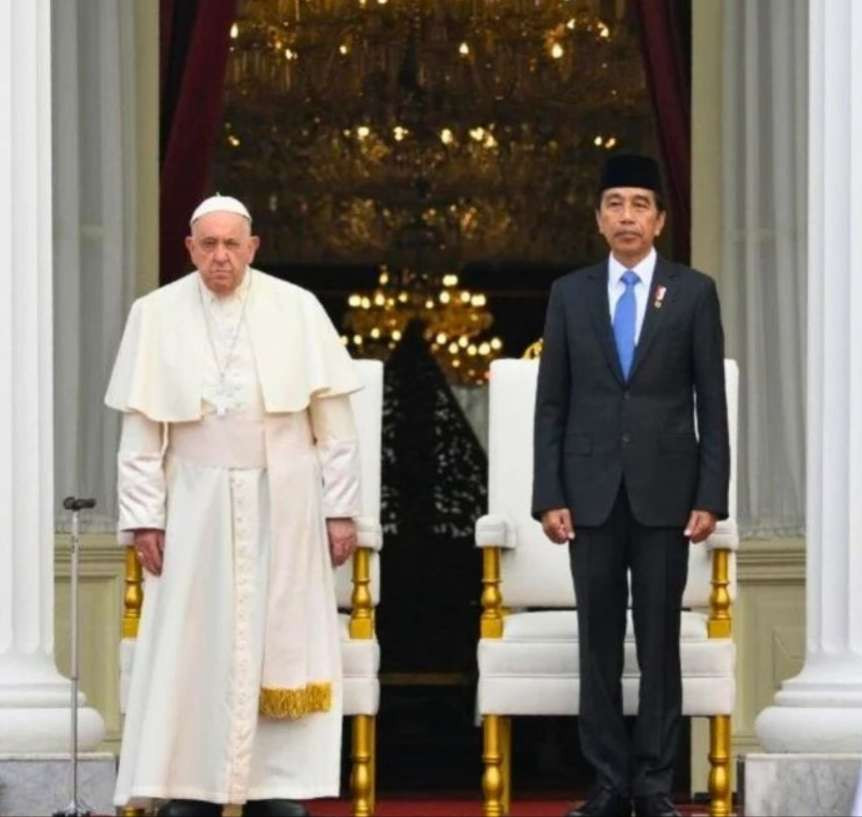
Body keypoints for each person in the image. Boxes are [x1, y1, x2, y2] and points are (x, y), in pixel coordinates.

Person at [107, 196, 362, 817]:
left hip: (286, 500)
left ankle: (277, 786)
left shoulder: (297, 309)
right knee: (193, 645)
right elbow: (142, 431)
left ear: (253, 247)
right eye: (208, 245)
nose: (221, 257)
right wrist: (144, 516)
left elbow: (335, 426)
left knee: (281, 640)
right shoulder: (155, 313)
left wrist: (340, 510)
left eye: (232, 245)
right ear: (189, 249)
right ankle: (189, 783)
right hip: (193, 504)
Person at [532, 155, 730, 817]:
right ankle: (609, 781)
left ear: (660, 219)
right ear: (597, 217)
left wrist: (711, 493)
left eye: (640, 203)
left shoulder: (694, 292)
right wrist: (548, 493)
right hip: (586, 495)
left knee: (658, 644)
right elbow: (551, 404)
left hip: (667, 495)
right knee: (595, 643)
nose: (626, 216)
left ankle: (653, 781)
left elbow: (711, 401)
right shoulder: (570, 293)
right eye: (614, 203)